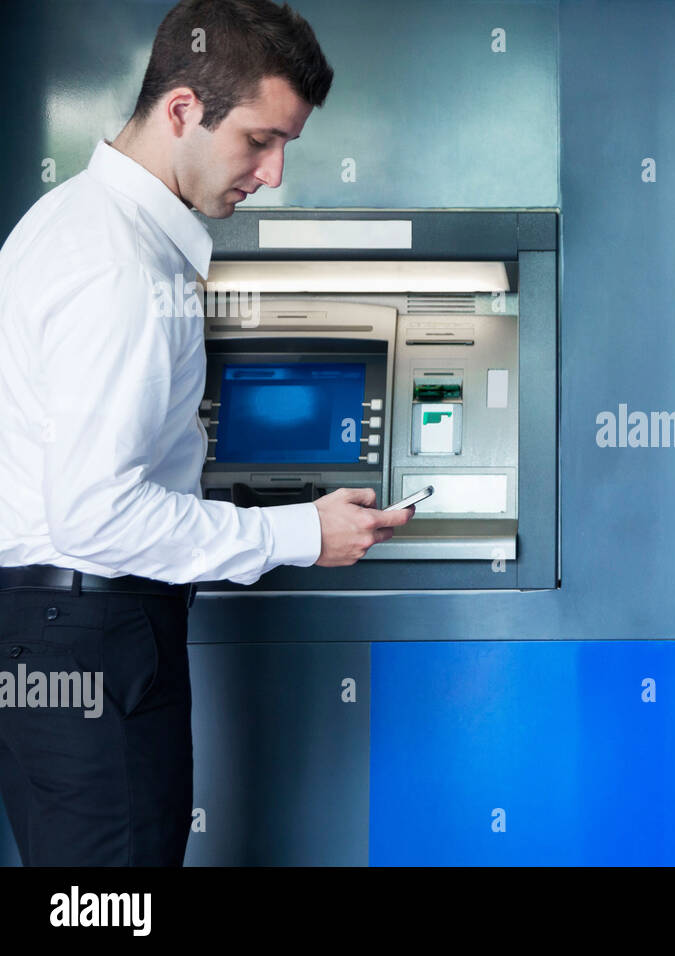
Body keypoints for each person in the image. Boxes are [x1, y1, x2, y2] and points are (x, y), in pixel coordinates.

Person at [0, 0, 411, 866]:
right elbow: (94, 515)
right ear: (183, 110)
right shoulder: (118, 265)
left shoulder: (66, 222)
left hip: (59, 629)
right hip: (95, 636)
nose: (274, 173)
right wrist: (300, 532)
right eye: (260, 140)